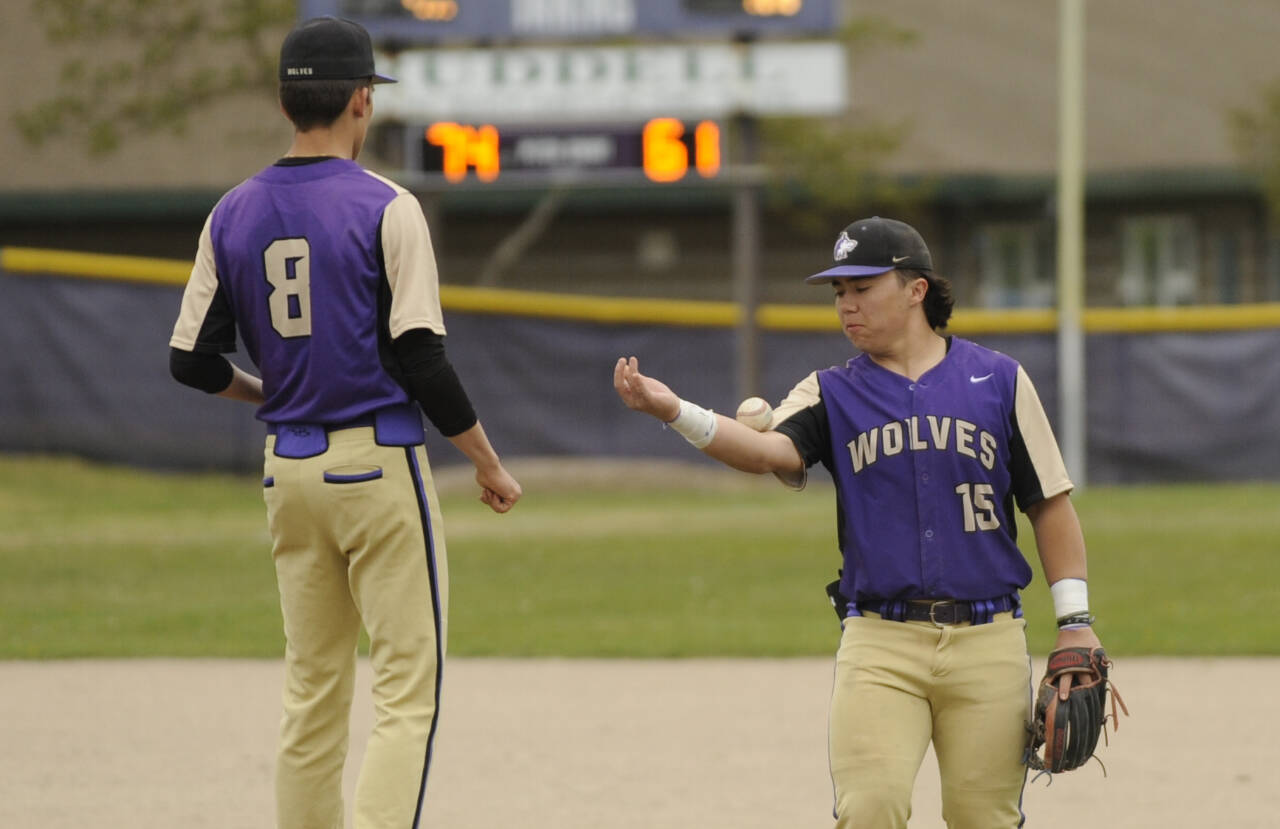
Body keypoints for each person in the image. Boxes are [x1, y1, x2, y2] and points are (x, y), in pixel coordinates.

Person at [613, 216, 1105, 828]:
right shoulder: (830, 392)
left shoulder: (999, 381)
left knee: (986, 818)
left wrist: (1075, 622)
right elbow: (767, 452)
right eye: (839, 292)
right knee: (869, 809)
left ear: (916, 289)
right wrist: (675, 411)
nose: (846, 305)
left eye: (862, 287)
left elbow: (1049, 504)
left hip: (990, 640)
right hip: (880, 643)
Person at [168, 17, 522, 829]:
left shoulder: (232, 211)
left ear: (289, 102)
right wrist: (488, 461)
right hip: (377, 464)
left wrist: (275, 391)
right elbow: (421, 356)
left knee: (313, 686)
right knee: (406, 691)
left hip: (287, 472)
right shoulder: (387, 207)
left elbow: (191, 360)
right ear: (362, 99)